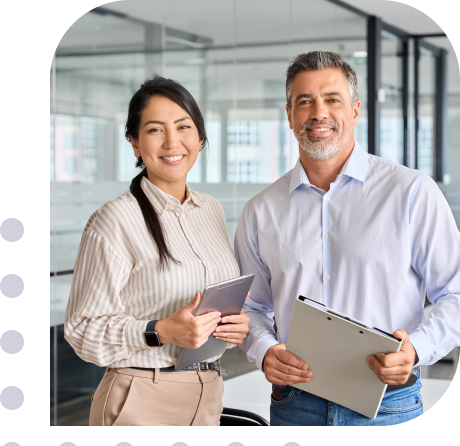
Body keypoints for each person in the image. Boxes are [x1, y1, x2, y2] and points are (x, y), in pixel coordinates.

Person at [234, 51, 460, 426]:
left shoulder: (411, 192)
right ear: (290, 116)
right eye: (304, 102)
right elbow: (250, 308)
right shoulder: (261, 210)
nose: (318, 113)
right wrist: (264, 350)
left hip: (388, 405)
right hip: (295, 406)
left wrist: (416, 349)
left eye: (332, 100)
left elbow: (456, 292)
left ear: (354, 111)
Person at [64, 76, 250, 426]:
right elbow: (81, 330)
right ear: (134, 143)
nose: (172, 141)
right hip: (141, 397)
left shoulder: (211, 209)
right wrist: (160, 331)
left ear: (200, 138)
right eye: (154, 130)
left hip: (208, 391)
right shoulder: (114, 219)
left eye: (183, 126)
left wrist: (234, 328)